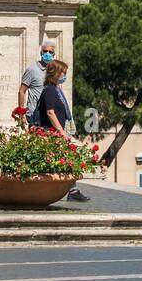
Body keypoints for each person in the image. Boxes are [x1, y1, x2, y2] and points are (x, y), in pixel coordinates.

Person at [35, 59, 88, 202]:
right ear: (55, 73)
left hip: (56, 133)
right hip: (50, 133)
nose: (65, 75)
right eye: (63, 72)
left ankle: (73, 190)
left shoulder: (57, 90)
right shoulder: (50, 90)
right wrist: (61, 131)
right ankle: (69, 191)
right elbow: (50, 112)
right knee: (64, 160)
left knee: (68, 160)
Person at [17, 39, 56, 127]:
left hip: (49, 113)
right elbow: (22, 91)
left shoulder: (54, 71)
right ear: (41, 53)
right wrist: (21, 113)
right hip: (34, 114)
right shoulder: (32, 70)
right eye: (45, 51)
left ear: (54, 54)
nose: (47, 54)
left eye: (50, 52)